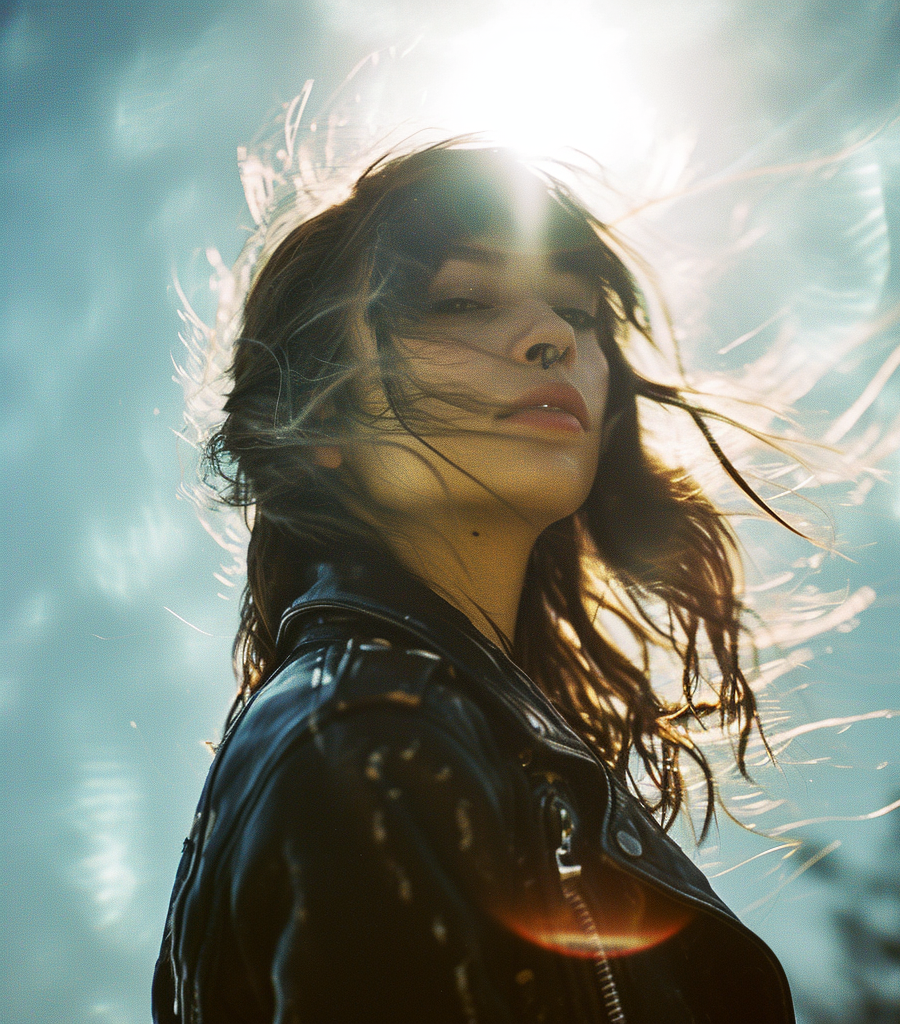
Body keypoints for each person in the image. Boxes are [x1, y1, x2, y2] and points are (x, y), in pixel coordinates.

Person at [152, 141, 796, 1023]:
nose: (555, 336)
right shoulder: (371, 733)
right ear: (318, 422)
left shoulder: (455, 735)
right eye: (458, 300)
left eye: (576, 310)